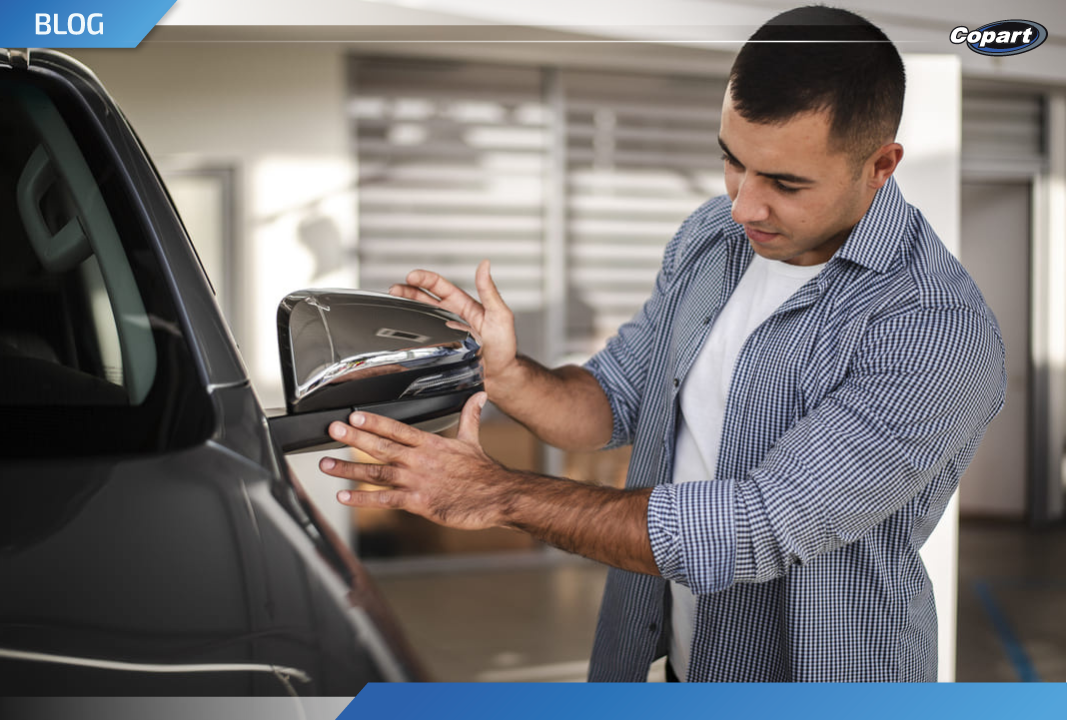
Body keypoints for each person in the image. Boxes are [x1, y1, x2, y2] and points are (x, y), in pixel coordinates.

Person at [318, 5, 1006, 682]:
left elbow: (754, 528)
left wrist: (496, 494)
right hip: (674, 665)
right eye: (733, 162)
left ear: (881, 165)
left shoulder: (933, 327)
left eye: (785, 183)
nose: (744, 205)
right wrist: (508, 373)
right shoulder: (713, 238)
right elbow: (611, 401)